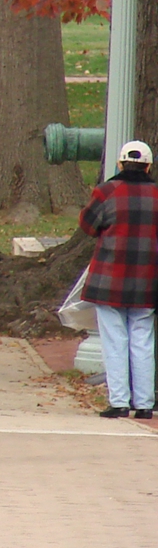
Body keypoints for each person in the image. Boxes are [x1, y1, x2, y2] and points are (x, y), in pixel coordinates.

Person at [78, 140, 158, 420]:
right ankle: (145, 403)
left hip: (109, 278)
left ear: (120, 164)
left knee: (114, 339)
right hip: (148, 278)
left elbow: (88, 225)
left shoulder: (107, 191)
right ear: (148, 166)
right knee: (142, 338)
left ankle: (119, 400)